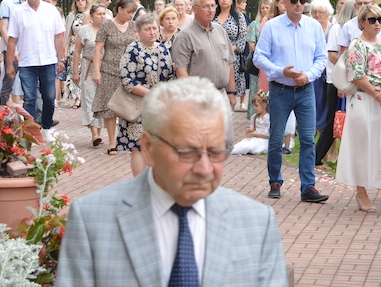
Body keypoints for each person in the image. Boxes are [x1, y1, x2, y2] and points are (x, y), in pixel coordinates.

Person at [55, 77, 288, 286]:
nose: (205, 168)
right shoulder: (92, 221)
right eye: (187, 152)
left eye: (216, 151)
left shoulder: (257, 224)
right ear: (149, 148)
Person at [253, 0, 329, 203]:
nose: (298, 5)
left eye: (302, 1)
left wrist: (309, 75)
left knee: (307, 139)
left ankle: (308, 187)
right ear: (284, 3)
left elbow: (321, 58)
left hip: (305, 90)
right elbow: (259, 57)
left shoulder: (313, 26)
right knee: (276, 138)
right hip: (280, 89)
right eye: (294, 1)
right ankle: (275, 181)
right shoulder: (272, 26)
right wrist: (280, 71)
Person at [336, 4, 381, 214]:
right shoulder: (357, 45)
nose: (377, 24)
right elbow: (356, 75)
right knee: (362, 145)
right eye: (372, 20)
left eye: (380, 19)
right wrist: (376, 93)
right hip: (364, 99)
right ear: (361, 23)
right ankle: (361, 192)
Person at [6, 0, 66, 138]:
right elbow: (12, 40)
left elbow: (58, 36)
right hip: (27, 62)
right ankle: (30, 131)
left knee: (49, 97)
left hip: (48, 60)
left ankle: (46, 127)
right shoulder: (18, 12)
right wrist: (9, 64)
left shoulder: (51, 11)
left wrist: (61, 59)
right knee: (29, 98)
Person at [118, 13, 174, 176]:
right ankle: (139, 183)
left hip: (159, 107)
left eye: (154, 28)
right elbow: (127, 80)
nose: (152, 32)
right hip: (138, 105)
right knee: (139, 146)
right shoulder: (133, 50)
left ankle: (155, 182)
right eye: (147, 29)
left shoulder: (163, 49)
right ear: (139, 31)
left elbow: (170, 76)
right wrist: (151, 93)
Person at [170, 0, 236, 114]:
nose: (211, 10)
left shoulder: (220, 30)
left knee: (225, 127)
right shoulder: (185, 36)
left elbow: (229, 62)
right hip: (200, 98)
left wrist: (231, 92)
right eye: (206, 6)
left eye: (212, 6)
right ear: (194, 9)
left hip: (222, 96)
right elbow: (181, 70)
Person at [92, 0, 138, 154]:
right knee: (110, 107)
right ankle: (112, 142)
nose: (130, 15)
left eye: (132, 13)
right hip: (109, 70)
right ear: (119, 9)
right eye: (128, 12)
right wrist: (96, 71)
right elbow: (98, 49)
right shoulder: (106, 25)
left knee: (129, 107)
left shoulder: (133, 26)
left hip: (129, 72)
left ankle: (128, 140)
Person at [314, 0, 356, 166]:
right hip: (335, 80)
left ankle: (321, 155)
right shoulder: (338, 28)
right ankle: (317, 155)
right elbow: (331, 54)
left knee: (338, 119)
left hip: (348, 80)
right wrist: (346, 72)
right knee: (333, 119)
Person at [71, 3, 107, 146]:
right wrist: (75, 72)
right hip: (88, 68)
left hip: (104, 68)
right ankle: (94, 134)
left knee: (102, 102)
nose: (102, 16)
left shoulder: (108, 29)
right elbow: (77, 52)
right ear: (92, 15)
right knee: (89, 100)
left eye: (104, 13)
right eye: (99, 14)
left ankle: (99, 132)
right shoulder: (84, 30)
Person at [0, 0, 30, 107]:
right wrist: (13, 50)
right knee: (9, 81)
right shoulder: (7, 3)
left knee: (29, 82)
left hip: (27, 48)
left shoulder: (31, 3)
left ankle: (29, 112)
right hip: (12, 49)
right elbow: (3, 28)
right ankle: (2, 112)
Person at [214, 0, 247, 111]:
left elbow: (242, 39)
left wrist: (227, 51)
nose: (224, 0)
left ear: (232, 0)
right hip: (213, 59)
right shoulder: (212, 16)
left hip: (232, 60)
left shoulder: (238, 17)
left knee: (229, 98)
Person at [310, 0, 334, 136]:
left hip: (330, 73)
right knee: (316, 103)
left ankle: (327, 137)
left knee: (328, 106)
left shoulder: (334, 29)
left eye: (321, 12)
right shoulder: (310, 29)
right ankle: (317, 133)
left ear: (328, 13)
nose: (317, 15)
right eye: (314, 12)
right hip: (315, 73)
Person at [246, 0, 272, 119]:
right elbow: (251, 45)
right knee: (256, 89)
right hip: (258, 63)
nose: (265, 10)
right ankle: (254, 116)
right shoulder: (254, 25)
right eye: (263, 8)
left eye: (267, 8)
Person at [63, 0, 88, 107]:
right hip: (74, 47)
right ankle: (77, 98)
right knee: (74, 71)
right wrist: (65, 50)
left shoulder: (89, 15)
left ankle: (84, 97)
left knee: (85, 72)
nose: (80, 1)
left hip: (86, 47)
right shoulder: (71, 16)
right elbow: (68, 34)